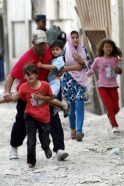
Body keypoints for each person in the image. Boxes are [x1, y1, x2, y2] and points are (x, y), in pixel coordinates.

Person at [3, 29, 69, 161]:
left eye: (44, 44)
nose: (42, 47)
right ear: (33, 43)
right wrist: (6, 92)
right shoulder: (26, 58)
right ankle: (14, 147)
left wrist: (61, 69)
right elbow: (11, 76)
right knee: (21, 122)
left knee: (54, 119)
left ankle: (59, 149)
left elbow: (60, 58)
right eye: (39, 44)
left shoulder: (51, 50)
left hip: (45, 92)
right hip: (26, 94)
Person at [9, 64, 53, 168]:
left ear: (37, 75)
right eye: (27, 74)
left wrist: (41, 97)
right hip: (30, 115)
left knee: (45, 138)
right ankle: (31, 161)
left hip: (44, 117)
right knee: (31, 139)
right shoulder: (23, 87)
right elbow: (16, 96)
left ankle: (46, 147)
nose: (30, 76)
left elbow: (51, 98)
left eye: (32, 73)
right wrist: (6, 98)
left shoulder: (45, 85)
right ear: (24, 77)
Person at [87, 39, 123, 134]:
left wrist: (117, 69)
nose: (108, 48)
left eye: (110, 47)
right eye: (106, 46)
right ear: (102, 48)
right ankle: (114, 126)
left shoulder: (116, 59)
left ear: (112, 48)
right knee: (110, 106)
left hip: (113, 86)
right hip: (102, 87)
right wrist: (83, 77)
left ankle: (110, 115)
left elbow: (120, 72)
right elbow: (92, 70)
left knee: (117, 108)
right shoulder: (98, 60)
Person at [62, 29, 90, 141]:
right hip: (68, 82)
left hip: (80, 82)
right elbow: (61, 67)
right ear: (69, 39)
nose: (75, 39)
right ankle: (73, 129)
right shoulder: (65, 50)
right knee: (71, 107)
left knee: (80, 105)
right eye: (72, 37)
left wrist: (81, 61)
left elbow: (89, 64)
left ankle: (79, 131)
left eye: (77, 37)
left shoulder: (83, 50)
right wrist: (76, 67)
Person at [37, 39, 69, 117]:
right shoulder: (53, 58)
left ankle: (64, 106)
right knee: (48, 99)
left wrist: (42, 66)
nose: (54, 51)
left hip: (55, 82)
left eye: (57, 49)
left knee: (49, 98)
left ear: (62, 50)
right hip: (50, 82)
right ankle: (56, 107)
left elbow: (53, 67)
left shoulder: (60, 60)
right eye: (53, 49)